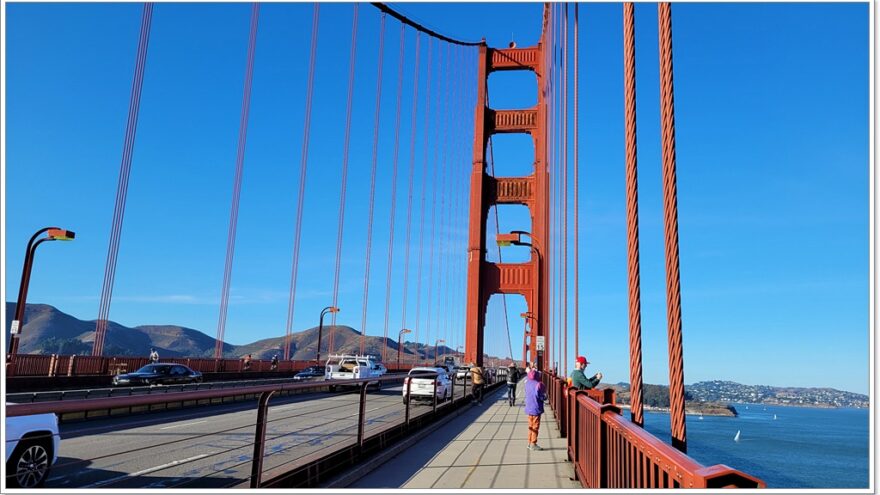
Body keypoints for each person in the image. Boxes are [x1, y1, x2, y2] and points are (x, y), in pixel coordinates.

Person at [524, 368, 547, 451]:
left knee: (530, 426)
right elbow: (541, 396)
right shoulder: (538, 384)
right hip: (536, 407)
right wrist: (545, 397)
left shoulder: (527, 383)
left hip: (529, 407)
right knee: (535, 426)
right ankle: (533, 443)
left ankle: (529, 443)